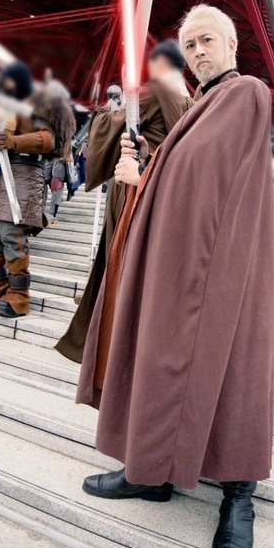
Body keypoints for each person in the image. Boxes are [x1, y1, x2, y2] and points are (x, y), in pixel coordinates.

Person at [73, 5, 274, 548]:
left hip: (224, 263)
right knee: (162, 361)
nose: (198, 52)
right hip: (182, 261)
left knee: (233, 371)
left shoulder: (245, 92)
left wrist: (150, 173)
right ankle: (150, 471)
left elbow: (205, 171)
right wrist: (145, 165)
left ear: (232, 44)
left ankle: (239, 498)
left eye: (207, 40)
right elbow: (183, 165)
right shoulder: (201, 104)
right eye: (189, 46)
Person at [55, 38, 193, 363]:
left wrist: (112, 102)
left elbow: (107, 126)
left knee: (120, 259)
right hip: (164, 192)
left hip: (133, 188)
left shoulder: (153, 92)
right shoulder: (192, 102)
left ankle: (112, 335)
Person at [0, 86, 76, 317]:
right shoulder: (5, 103)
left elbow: (48, 139)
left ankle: (19, 294)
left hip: (28, 173)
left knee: (12, 232)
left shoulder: (40, 102)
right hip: (5, 172)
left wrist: (12, 141)